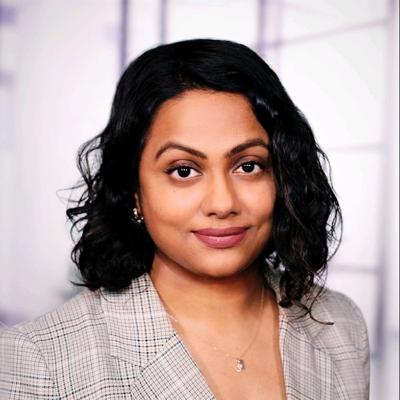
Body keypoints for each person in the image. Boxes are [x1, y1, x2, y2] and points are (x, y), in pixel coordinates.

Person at [0, 38, 369, 399]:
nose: (223, 203)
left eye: (248, 166)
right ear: (133, 190)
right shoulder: (37, 361)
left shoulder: (340, 324)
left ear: (283, 177)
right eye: (183, 171)